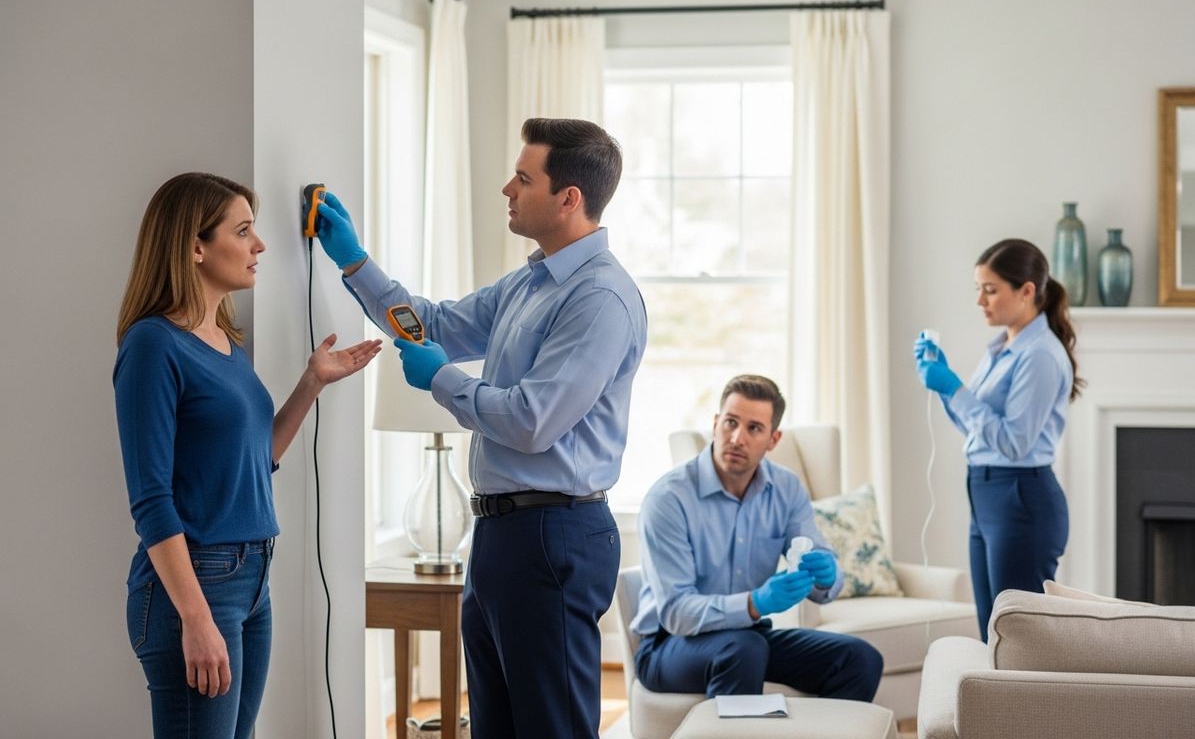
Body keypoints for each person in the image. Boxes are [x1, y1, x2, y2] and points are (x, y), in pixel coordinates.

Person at [313, 118, 648, 738]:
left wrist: (441, 380)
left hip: (554, 533)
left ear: (569, 198)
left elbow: (531, 421)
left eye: (524, 178)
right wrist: (356, 263)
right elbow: (434, 324)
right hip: (501, 534)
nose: (507, 189)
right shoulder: (531, 281)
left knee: (552, 729)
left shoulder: (599, 298)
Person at [114, 172, 382, 738]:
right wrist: (195, 616)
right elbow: (150, 499)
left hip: (252, 576)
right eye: (243, 231)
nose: (259, 245)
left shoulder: (224, 341)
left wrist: (311, 383)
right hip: (198, 582)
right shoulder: (152, 345)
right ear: (194, 246)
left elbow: (256, 463)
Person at [630, 374, 884, 702]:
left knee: (859, 658)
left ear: (773, 439)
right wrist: (754, 603)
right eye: (730, 423)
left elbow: (819, 563)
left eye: (754, 429)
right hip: (667, 645)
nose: (737, 438)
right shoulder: (669, 499)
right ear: (715, 422)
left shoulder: (786, 489)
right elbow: (677, 613)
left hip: (746, 638)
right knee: (744, 649)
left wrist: (827, 576)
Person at [914, 238, 1082, 640]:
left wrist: (955, 388)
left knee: (1017, 636)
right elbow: (979, 428)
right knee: (993, 631)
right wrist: (944, 384)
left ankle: (1031, 707)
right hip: (988, 495)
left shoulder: (1039, 354)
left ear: (1026, 291)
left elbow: (1014, 442)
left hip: (1020, 498)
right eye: (978, 289)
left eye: (990, 290)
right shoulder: (1001, 348)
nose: (980, 301)